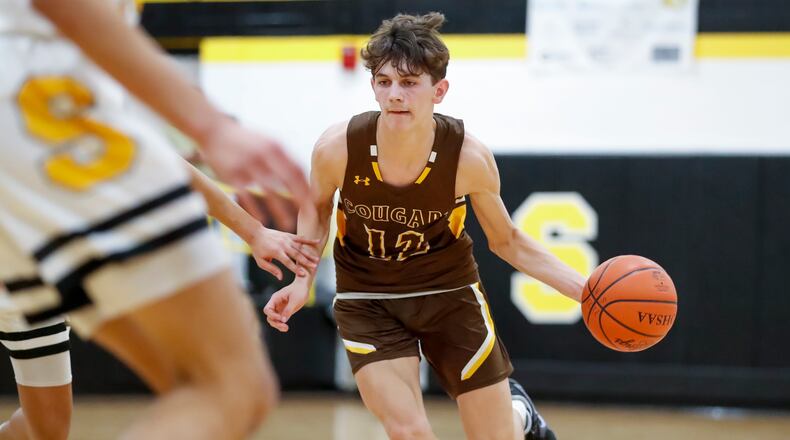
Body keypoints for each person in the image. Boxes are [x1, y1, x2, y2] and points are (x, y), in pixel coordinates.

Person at [0, 0, 316, 438]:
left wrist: (253, 230)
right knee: (231, 386)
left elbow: (151, 147)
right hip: (36, 120)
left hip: (31, 137)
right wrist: (211, 127)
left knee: (53, 427)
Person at [263, 12, 587, 440]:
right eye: (384, 82)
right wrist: (302, 280)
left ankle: (519, 416)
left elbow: (507, 240)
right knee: (408, 431)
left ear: (439, 90)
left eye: (410, 82)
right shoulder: (336, 149)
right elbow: (317, 210)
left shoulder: (469, 159)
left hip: (448, 294)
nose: (395, 95)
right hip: (368, 297)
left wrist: (586, 292)